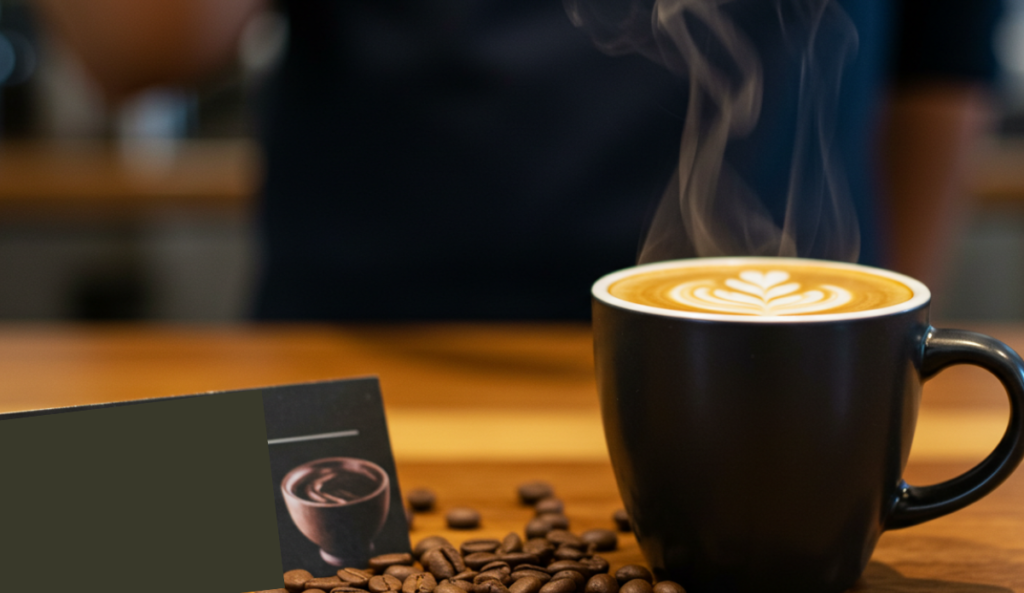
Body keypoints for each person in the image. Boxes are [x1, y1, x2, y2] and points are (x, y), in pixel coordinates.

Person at [36, 0, 1003, 319]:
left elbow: (941, 67)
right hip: (345, 377)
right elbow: (137, 50)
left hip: (768, 392)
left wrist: (876, 375)